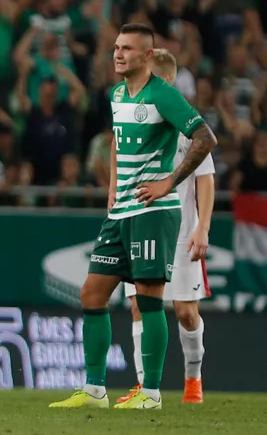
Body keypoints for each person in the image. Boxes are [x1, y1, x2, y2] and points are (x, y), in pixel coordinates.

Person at [52, 23, 217, 411]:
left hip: (152, 212)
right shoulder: (117, 93)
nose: (117, 54)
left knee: (150, 300)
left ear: (146, 56)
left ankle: (152, 393)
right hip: (121, 210)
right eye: (116, 47)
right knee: (92, 292)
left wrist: (169, 182)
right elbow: (116, 142)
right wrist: (113, 187)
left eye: (126, 48)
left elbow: (205, 138)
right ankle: (94, 390)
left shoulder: (164, 95)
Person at [116, 49, 214, 406]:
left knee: (186, 312)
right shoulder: (137, 119)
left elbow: (205, 178)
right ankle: (145, 386)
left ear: (166, 82)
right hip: (141, 227)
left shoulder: (187, 124)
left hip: (181, 232)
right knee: (140, 306)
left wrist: (202, 226)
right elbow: (118, 155)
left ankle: (193, 377)